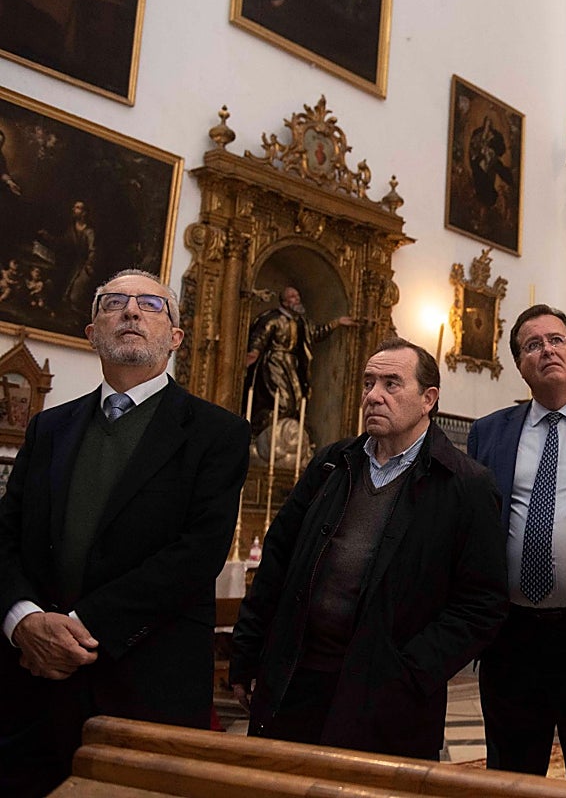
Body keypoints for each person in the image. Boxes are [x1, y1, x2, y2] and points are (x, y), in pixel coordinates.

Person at [0, 269, 250, 797]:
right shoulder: (50, 427)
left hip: (144, 684)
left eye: (150, 305)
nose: (131, 311)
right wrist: (22, 621)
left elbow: (196, 555)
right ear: (92, 332)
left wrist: (75, 627)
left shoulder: (216, 434)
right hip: (33, 681)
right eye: (114, 302)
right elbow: (6, 537)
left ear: (175, 339)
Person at [230, 337, 508, 758]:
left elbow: (482, 603)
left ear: (428, 399)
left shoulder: (465, 484)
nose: (373, 396)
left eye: (392, 384)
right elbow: (277, 562)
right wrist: (248, 654)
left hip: (388, 696)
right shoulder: (331, 464)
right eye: (367, 382)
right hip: (297, 677)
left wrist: (410, 671)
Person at [468, 304, 566, 781]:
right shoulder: (489, 433)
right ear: (519, 363)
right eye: (532, 345)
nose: (546, 350)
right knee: (511, 773)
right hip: (512, 637)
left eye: (556, 340)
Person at [244, 286, 353, 435]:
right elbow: (260, 336)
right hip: (274, 363)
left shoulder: (302, 322)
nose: (298, 299)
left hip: (291, 364)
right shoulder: (273, 318)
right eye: (293, 296)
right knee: (283, 402)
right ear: (284, 302)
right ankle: (260, 433)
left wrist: (337, 322)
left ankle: (283, 436)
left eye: (298, 295)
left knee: (296, 402)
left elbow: (316, 333)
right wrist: (254, 352)